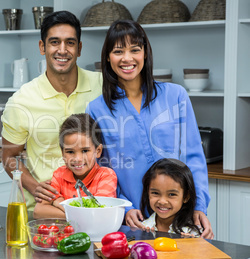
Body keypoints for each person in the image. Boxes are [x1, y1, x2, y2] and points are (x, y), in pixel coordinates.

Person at [86, 19, 214, 239]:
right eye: (118, 51)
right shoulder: (96, 108)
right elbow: (100, 170)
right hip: (132, 223)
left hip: (181, 219)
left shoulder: (176, 96)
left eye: (135, 50)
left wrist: (199, 205)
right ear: (108, 57)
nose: (127, 58)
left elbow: (193, 156)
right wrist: (123, 208)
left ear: (145, 53)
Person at [1, 11, 102, 211]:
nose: (62, 50)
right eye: (54, 42)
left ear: (79, 48)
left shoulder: (102, 87)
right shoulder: (21, 101)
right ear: (42, 47)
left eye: (70, 43)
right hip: (43, 213)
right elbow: (8, 157)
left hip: (94, 208)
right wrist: (34, 186)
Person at [33, 113, 117, 219]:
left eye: (85, 150)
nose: (77, 158)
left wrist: (60, 202)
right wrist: (80, 215)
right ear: (62, 153)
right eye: (70, 151)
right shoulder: (59, 174)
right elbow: (39, 211)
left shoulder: (106, 176)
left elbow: (96, 214)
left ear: (98, 151)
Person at [140, 158, 202, 237]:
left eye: (172, 194)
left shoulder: (192, 232)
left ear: (186, 196)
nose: (162, 201)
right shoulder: (141, 228)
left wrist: (189, 246)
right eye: (155, 193)